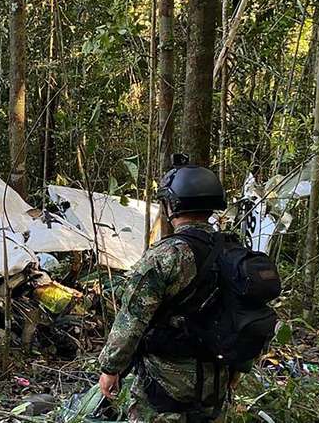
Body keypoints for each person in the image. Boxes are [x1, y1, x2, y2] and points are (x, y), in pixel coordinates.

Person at [96, 156, 233, 422]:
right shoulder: (233, 252)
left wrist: (110, 368)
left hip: (165, 385)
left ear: (173, 205)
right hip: (217, 382)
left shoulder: (167, 255)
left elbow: (131, 319)